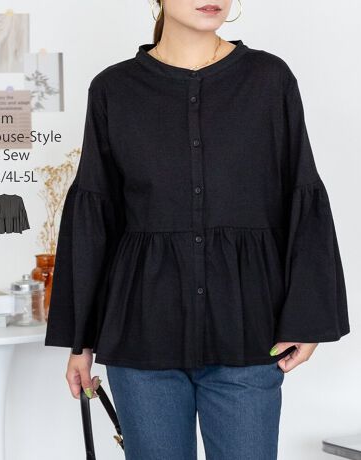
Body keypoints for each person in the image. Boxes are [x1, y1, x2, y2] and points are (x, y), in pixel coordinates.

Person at [45, 1, 350, 458]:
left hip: (247, 332)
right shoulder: (114, 88)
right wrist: (81, 341)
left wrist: (308, 317)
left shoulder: (269, 79)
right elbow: (96, 211)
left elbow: (299, 192)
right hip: (141, 334)